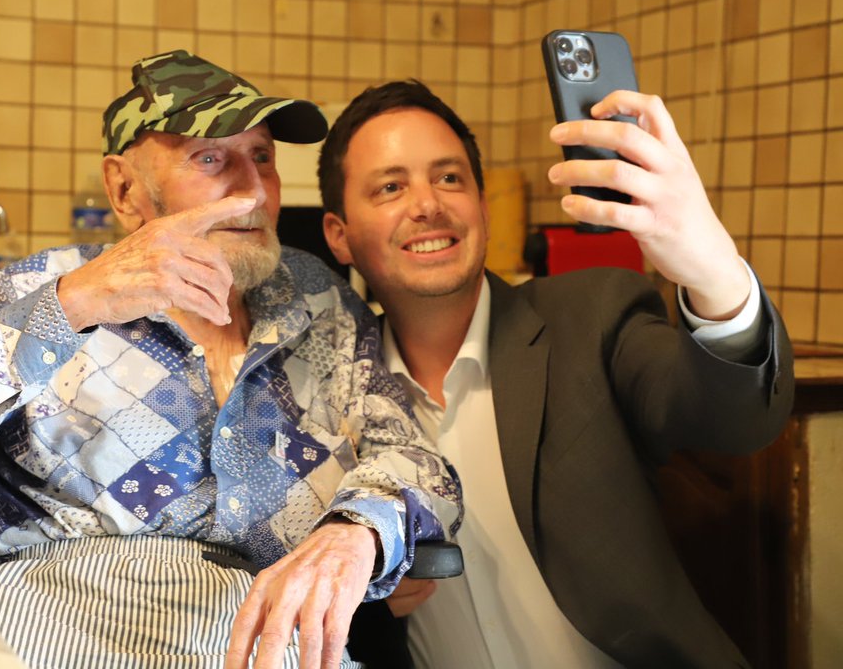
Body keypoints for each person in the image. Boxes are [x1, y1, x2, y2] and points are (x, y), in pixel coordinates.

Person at [0, 51, 461, 669]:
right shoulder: (47, 290)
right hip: (62, 630)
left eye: (262, 159)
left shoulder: (315, 297)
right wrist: (73, 305)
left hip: (265, 638)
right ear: (125, 189)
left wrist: (359, 533)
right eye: (211, 159)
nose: (252, 191)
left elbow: (411, 457)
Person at [318, 80, 793, 668]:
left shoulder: (591, 318)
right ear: (339, 235)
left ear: (483, 207)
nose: (427, 204)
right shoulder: (319, 392)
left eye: (450, 178)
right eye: (391, 186)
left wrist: (711, 265)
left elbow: (735, 419)